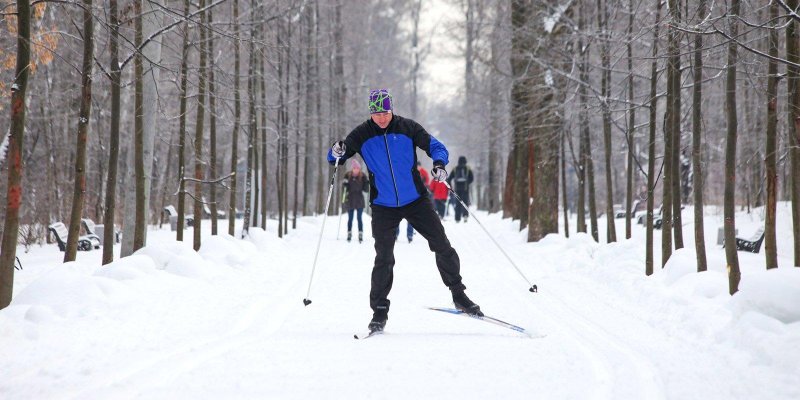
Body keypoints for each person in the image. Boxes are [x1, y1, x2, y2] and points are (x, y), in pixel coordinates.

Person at [328, 88, 482, 333]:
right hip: (383, 206)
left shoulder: (408, 128)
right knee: (384, 258)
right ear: (371, 113)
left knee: (442, 244)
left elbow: (436, 146)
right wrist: (335, 152)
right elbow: (338, 155)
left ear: (392, 109)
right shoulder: (362, 134)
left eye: (385, 112)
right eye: (376, 113)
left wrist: (439, 164)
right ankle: (379, 311)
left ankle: (459, 295)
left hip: (415, 200)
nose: (381, 118)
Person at [396, 162, 429, 242]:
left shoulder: (423, 172)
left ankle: (410, 235)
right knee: (397, 217)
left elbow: (427, 182)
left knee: (411, 218)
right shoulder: (408, 171)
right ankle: (396, 235)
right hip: (405, 197)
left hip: (415, 197)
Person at [343, 159, 369, 243]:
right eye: (354, 168)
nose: (356, 170)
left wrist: (367, 183)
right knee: (350, 218)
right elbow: (344, 189)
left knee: (359, 218)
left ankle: (360, 233)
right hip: (350, 199)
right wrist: (345, 185)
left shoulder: (362, 176)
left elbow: (366, 190)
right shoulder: (348, 176)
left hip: (359, 200)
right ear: (352, 169)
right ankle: (349, 233)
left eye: (357, 168)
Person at [446, 156, 474, 223]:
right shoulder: (467, 168)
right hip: (465, 189)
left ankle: (457, 218)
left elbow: (449, 178)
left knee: (458, 203)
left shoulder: (455, 169)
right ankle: (465, 216)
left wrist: (450, 187)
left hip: (457, 189)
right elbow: (472, 178)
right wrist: (467, 183)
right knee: (465, 202)